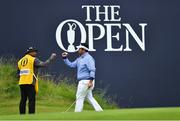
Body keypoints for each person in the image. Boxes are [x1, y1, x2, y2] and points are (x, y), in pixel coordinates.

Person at [62, 43, 103, 112]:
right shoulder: (79, 59)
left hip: (86, 81)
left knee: (79, 97)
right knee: (89, 97)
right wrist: (65, 58)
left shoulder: (89, 58)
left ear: (83, 50)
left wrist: (90, 82)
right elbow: (72, 65)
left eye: (79, 49)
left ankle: (77, 114)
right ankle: (100, 111)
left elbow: (92, 70)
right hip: (85, 81)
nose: (78, 50)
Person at [17, 47, 56, 114]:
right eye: (34, 51)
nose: (35, 53)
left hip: (22, 82)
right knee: (31, 100)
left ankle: (22, 115)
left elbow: (18, 73)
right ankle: (31, 115)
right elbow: (44, 64)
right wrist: (51, 59)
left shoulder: (20, 61)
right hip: (30, 82)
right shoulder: (33, 59)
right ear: (29, 53)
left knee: (23, 100)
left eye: (35, 51)